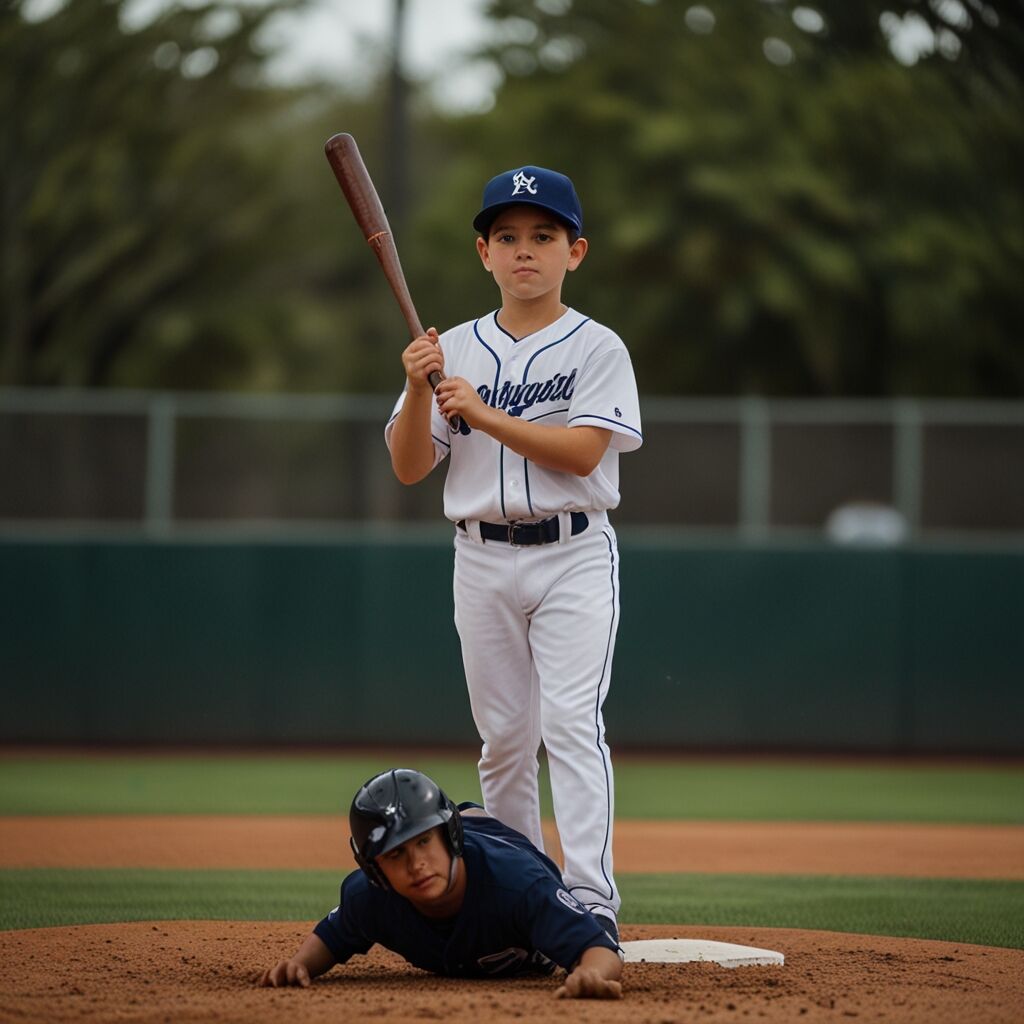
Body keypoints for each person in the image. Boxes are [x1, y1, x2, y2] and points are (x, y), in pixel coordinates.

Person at [385, 165, 642, 941]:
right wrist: (423, 389)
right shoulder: (448, 348)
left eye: (543, 236)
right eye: (507, 237)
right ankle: (521, 898)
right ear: (483, 254)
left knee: (569, 724)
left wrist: (483, 413)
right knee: (502, 741)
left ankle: (590, 904)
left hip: (571, 552)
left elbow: (582, 451)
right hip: (480, 555)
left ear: (576, 251)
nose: (524, 250)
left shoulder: (598, 346)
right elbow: (406, 466)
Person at [259, 768, 623, 999]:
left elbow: (599, 949)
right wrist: (300, 964)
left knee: (483, 834)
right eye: (395, 854)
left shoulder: (519, 886)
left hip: (496, 849)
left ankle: (469, 818)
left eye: (423, 842)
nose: (417, 864)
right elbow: (334, 934)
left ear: (447, 837)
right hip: (462, 837)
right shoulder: (369, 896)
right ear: (374, 869)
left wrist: (590, 975)